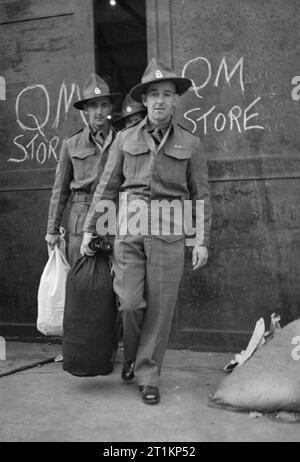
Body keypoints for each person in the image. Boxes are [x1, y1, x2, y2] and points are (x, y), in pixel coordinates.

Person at [80, 58, 212, 405]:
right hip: (129, 229)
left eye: (166, 94)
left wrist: (201, 240)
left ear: (174, 100)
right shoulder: (124, 139)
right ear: (145, 100)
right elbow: (106, 187)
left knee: (161, 309)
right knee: (130, 304)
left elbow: (201, 195)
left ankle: (148, 375)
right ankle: (133, 358)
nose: (159, 101)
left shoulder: (191, 143)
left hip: (170, 231)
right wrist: (90, 230)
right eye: (153, 94)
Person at [45, 73, 122, 265]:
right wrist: (52, 230)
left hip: (113, 212)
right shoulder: (71, 144)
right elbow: (59, 191)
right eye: (94, 106)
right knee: (80, 277)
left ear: (110, 107)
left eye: (103, 105)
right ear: (85, 109)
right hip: (81, 213)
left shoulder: (123, 140)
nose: (99, 111)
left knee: (115, 278)